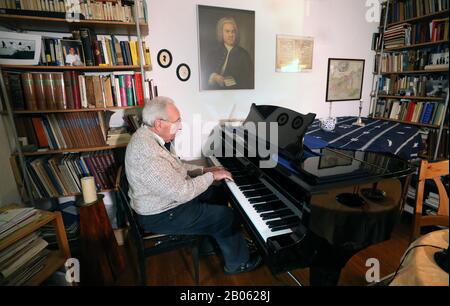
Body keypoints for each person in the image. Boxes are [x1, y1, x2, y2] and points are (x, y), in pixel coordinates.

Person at [124, 96, 262, 274]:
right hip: (162, 213)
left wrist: (203, 170)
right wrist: (212, 176)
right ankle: (238, 263)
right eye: (176, 121)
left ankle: (215, 242)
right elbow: (183, 192)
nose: (180, 126)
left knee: (219, 194)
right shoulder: (147, 152)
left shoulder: (150, 136)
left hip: (168, 200)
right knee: (226, 216)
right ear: (159, 123)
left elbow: (176, 166)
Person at [203, 17, 254, 90]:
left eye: (233, 31)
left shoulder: (244, 55)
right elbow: (204, 76)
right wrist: (213, 77)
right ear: (221, 33)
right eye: (227, 31)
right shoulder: (213, 53)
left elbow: (249, 81)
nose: (231, 35)